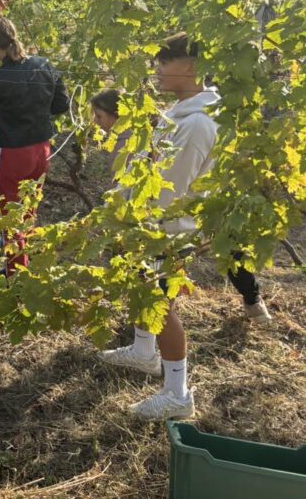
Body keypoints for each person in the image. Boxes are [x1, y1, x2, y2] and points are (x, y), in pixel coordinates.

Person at [96, 32, 258, 420]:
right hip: (149, 225)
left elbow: (171, 188)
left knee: (160, 306)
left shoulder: (198, 124)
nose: (157, 70)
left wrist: (128, 214)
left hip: (166, 232)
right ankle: (142, 350)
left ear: (191, 67)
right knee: (141, 293)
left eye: (163, 63)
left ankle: (177, 393)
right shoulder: (182, 113)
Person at [91, 84, 274, 328]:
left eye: (99, 116)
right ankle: (148, 321)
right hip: (190, 198)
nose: (95, 122)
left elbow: (166, 182)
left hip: (204, 199)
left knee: (226, 248)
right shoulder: (150, 126)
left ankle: (251, 300)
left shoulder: (157, 131)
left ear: (117, 114)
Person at [0, 17, 70, 274]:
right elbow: (61, 104)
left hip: (12, 152)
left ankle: (16, 276)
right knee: (28, 210)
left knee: (8, 215)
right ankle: (28, 262)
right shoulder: (43, 64)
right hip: (42, 149)